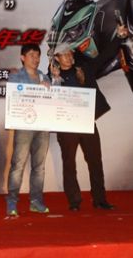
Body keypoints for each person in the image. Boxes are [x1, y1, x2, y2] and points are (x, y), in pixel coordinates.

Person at [50, 25, 128, 211]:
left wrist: (118, 37)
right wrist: (54, 80)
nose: (68, 56)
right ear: (56, 58)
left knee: (95, 162)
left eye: (70, 53)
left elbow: (105, 56)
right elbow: (47, 101)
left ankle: (100, 199)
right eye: (63, 54)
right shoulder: (50, 77)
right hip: (66, 127)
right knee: (69, 164)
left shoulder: (85, 69)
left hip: (87, 123)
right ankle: (74, 202)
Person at [5, 43, 51, 217]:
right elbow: (14, 96)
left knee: (39, 166)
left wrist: (52, 83)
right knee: (18, 164)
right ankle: (12, 202)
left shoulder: (44, 77)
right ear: (22, 58)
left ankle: (36, 201)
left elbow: (56, 98)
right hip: (24, 126)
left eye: (38, 55)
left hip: (42, 126)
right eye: (31, 55)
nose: (36, 58)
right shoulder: (16, 76)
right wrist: (36, 90)